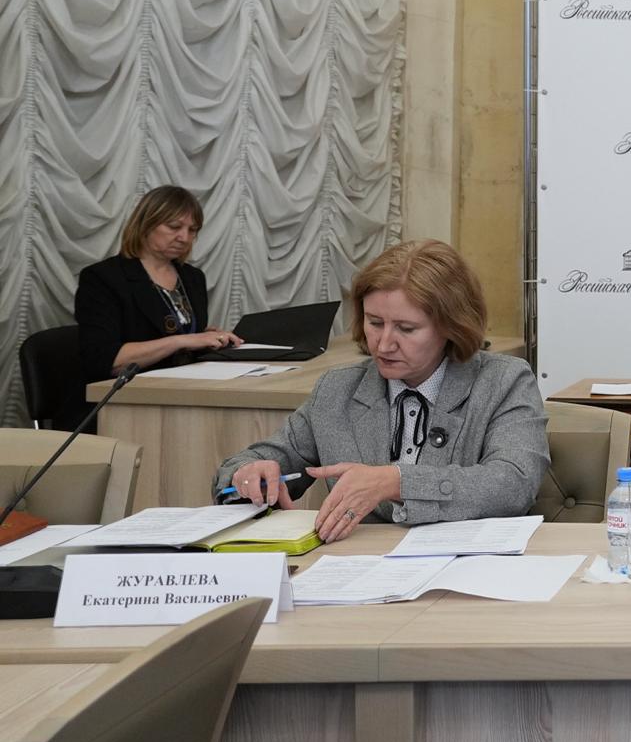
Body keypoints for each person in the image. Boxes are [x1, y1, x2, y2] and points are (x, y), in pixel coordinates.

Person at [214, 240, 548, 543]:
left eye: (406, 328)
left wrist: (396, 482)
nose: (384, 344)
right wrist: (248, 475)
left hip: (469, 565)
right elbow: (247, 464)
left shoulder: (503, 381)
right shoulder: (337, 389)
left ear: (451, 326)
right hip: (359, 567)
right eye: (374, 323)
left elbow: (513, 484)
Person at [74, 185, 243, 379]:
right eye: (174, 227)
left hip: (186, 383)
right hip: (130, 390)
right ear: (145, 225)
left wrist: (208, 339)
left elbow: (179, 334)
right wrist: (183, 340)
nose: (184, 238)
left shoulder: (193, 277)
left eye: (192, 230)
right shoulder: (103, 278)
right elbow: (104, 360)